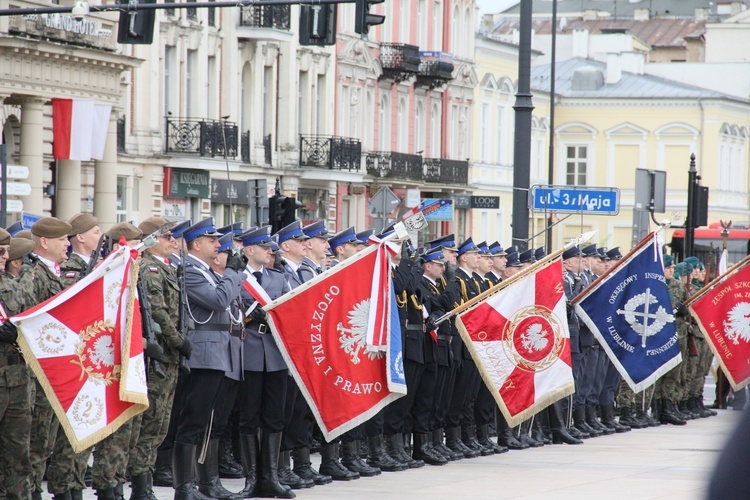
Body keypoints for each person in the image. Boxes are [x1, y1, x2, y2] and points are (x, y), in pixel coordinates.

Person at [172, 217, 246, 500]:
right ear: (197, 244)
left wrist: (228, 275)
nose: (218, 245)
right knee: (193, 421)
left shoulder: (208, 272)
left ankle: (202, 484)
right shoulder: (191, 271)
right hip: (203, 355)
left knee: (205, 422)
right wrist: (230, 273)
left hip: (217, 353)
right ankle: (184, 488)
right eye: (213, 241)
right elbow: (218, 301)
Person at [128, 217, 190, 500]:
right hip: (159, 357)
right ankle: (141, 488)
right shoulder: (150, 269)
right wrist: (179, 342)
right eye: (167, 237)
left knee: (161, 425)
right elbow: (159, 313)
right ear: (153, 240)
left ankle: (145, 483)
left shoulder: (165, 269)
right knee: (151, 423)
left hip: (169, 357)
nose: (173, 242)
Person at [237, 225, 295, 499]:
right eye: (263, 246)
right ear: (249, 250)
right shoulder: (236, 277)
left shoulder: (278, 278)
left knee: (274, 415)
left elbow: (289, 308)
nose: (269, 250)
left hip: (274, 351)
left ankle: (270, 476)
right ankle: (252, 479)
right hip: (248, 350)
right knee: (248, 416)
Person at [26, 217, 73, 500]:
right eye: (63, 240)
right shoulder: (35, 274)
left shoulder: (53, 271)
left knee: (48, 440)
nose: (68, 243)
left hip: (56, 369)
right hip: (41, 369)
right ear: (44, 242)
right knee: (37, 441)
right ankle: (30, 492)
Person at [0, 229, 37, 499]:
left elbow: (33, 318)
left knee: (17, 452)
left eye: (6, 252)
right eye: (0, 252)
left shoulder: (11, 286)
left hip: (16, 377)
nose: (5, 257)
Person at [61, 213, 103, 287]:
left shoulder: (95, 266)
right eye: (96, 232)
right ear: (81, 238)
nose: (103, 237)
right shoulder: (72, 273)